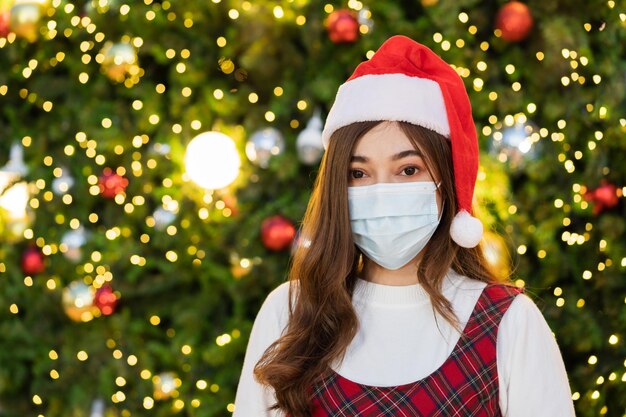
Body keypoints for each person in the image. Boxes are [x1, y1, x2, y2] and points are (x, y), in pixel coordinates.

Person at [233, 35, 576, 417]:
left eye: (408, 169)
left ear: (446, 181)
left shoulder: (509, 322)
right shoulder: (288, 313)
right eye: (358, 173)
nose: (381, 193)